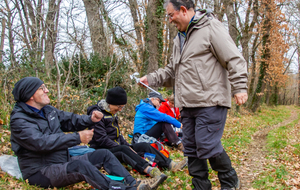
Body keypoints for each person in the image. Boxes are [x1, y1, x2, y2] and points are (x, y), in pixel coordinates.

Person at [138, 0, 248, 189]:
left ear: (183, 10)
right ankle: (200, 186)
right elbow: (172, 71)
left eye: (171, 15)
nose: (170, 20)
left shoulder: (210, 27)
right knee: (191, 148)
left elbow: (233, 58)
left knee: (207, 145)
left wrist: (240, 86)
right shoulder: (179, 39)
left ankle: (230, 182)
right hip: (187, 104)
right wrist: (151, 78)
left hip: (211, 100)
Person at [9, 77, 150, 190]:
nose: (47, 91)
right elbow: (41, 143)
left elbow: (70, 119)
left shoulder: (48, 110)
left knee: (104, 154)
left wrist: (90, 119)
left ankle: (132, 183)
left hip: (62, 161)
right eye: (42, 88)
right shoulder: (19, 120)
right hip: (40, 172)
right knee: (81, 167)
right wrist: (77, 138)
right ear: (30, 95)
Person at [87, 87, 188, 189]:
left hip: (117, 146)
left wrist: (128, 146)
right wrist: (124, 147)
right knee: (124, 149)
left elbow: (119, 135)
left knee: (143, 146)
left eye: (122, 107)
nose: (120, 109)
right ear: (111, 102)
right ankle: (151, 171)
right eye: (119, 106)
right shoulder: (97, 115)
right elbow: (101, 139)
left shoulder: (112, 113)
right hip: (103, 150)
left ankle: (171, 164)